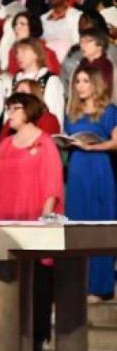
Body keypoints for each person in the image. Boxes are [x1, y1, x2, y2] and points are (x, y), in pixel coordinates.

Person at [0, 92, 64, 351]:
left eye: (16, 108)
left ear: (29, 110)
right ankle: (11, 329)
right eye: (9, 108)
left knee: (38, 278)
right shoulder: (7, 145)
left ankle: (37, 332)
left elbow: (52, 185)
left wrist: (43, 221)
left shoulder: (45, 143)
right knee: (11, 278)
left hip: (34, 219)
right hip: (9, 217)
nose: (10, 114)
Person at [62, 67, 117, 302]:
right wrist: (66, 143)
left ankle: (100, 286)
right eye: (77, 81)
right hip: (77, 169)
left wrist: (93, 147)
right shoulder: (72, 112)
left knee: (98, 223)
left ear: (95, 83)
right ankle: (78, 286)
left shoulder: (109, 110)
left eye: (85, 81)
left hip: (99, 168)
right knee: (76, 223)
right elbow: (68, 137)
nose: (81, 86)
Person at [9, 38, 66, 127]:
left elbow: (55, 114)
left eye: (23, 51)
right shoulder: (16, 79)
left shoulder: (50, 80)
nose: (18, 55)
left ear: (36, 54)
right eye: (17, 52)